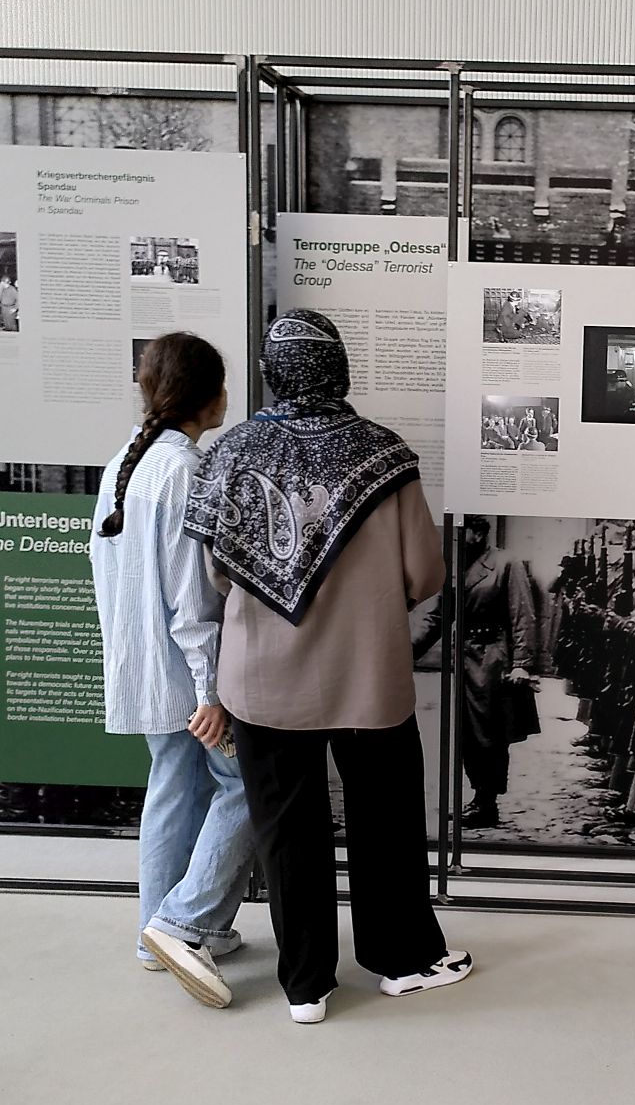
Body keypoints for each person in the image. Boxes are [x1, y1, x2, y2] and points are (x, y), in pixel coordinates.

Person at [184, 310, 470, 1024]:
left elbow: (215, 576)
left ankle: (307, 986)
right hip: (368, 676)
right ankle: (401, 961)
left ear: (270, 372)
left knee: (288, 830)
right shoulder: (386, 454)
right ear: (339, 367)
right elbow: (425, 573)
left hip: (261, 681)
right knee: (385, 821)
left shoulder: (229, 453)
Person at [89, 332, 254, 1007]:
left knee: (171, 791)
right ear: (209, 396)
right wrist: (211, 690)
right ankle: (179, 922)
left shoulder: (124, 465)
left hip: (144, 668)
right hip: (187, 677)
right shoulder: (186, 473)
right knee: (246, 785)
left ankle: (160, 932)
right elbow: (192, 601)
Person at [417, 515, 540, 830]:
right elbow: (438, 617)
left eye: (466, 532)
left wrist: (522, 664)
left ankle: (487, 802)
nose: (460, 539)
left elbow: (521, 615)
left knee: (490, 736)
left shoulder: (505, 563)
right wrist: (403, 653)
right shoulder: (456, 566)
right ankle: (478, 798)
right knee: (468, 735)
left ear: (480, 533)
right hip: (466, 660)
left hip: (493, 660)